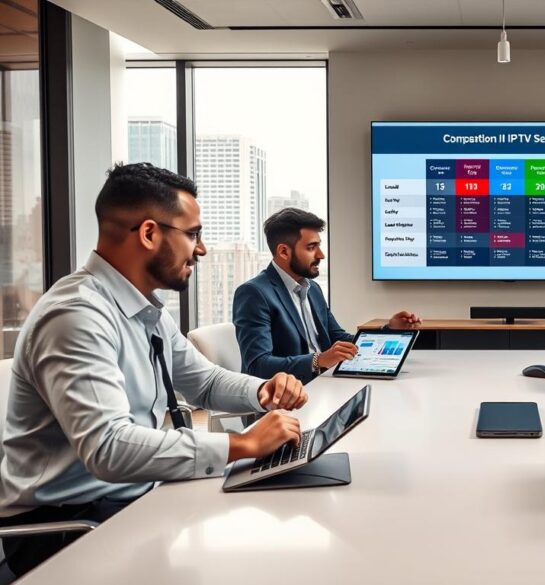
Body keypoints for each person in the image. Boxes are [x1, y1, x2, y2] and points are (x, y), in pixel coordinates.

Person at [0, 163, 308, 577]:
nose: (201, 249)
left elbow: (203, 380)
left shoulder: (143, 309)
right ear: (149, 234)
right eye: (193, 234)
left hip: (127, 497)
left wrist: (263, 390)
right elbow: (109, 448)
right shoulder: (76, 316)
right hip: (66, 529)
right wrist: (242, 445)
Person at [233, 208, 420, 384]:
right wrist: (318, 360)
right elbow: (257, 367)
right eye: (311, 247)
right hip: (285, 403)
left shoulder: (312, 288)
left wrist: (389, 330)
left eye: (319, 246)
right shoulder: (254, 293)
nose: (321, 255)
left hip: (324, 385)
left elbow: (339, 339)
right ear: (284, 251)